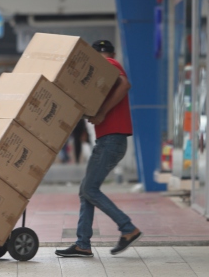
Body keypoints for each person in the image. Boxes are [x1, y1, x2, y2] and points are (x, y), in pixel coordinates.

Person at [55, 40, 142, 258]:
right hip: (109, 140)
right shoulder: (102, 78)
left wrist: (102, 112)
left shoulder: (110, 64)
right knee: (87, 190)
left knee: (89, 190)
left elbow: (125, 84)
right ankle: (82, 244)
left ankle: (127, 228)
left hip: (111, 140)